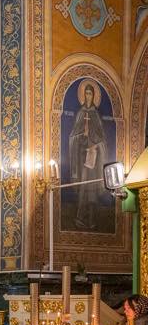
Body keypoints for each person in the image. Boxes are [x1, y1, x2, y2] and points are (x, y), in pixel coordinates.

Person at [68, 83, 107, 230]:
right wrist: (82, 136)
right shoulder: (80, 114)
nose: (88, 96)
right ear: (83, 95)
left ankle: (92, 220)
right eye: (86, 93)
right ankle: (80, 218)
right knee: (84, 188)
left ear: (94, 96)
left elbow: (102, 139)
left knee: (92, 190)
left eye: (90, 93)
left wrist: (96, 145)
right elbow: (72, 138)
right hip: (82, 160)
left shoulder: (96, 115)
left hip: (94, 160)